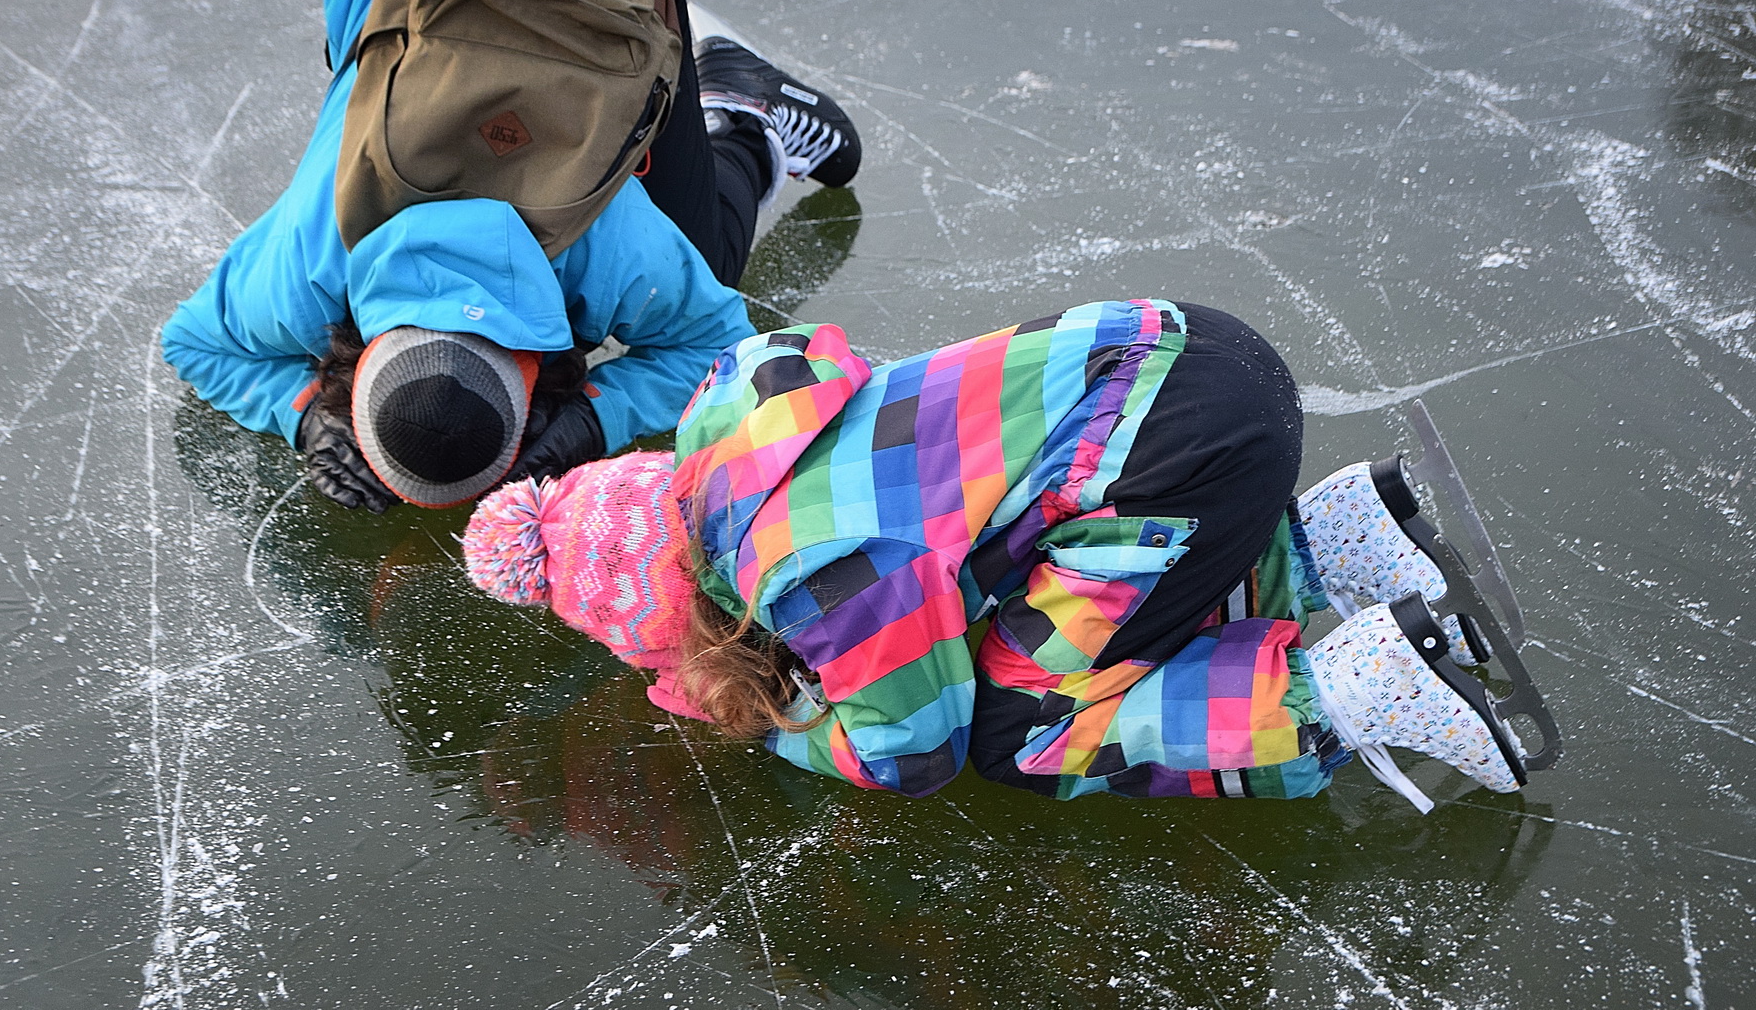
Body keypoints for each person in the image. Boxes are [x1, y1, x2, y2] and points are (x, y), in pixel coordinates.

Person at [460, 301, 1554, 809]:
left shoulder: (807, 573)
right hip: (1195, 352)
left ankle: (1345, 689)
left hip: (1172, 459)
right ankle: (1327, 538)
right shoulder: (738, 430)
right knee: (1048, 593)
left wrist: (775, 731)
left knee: (1013, 721)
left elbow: (912, 748)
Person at [162, 0, 862, 511]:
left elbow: (720, 344)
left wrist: (599, 416)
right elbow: (190, 342)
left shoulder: (606, 244)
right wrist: (302, 410)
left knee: (705, 261)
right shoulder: (309, 255)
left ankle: (744, 109)